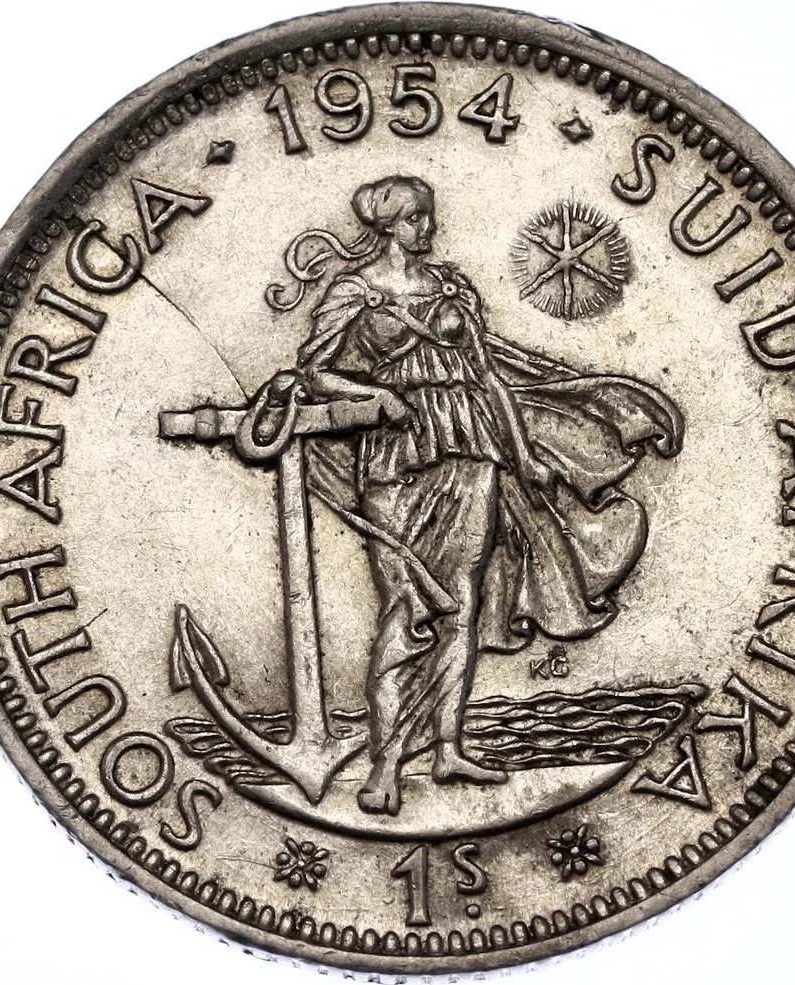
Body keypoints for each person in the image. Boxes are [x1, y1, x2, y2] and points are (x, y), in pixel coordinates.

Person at [268, 175, 683, 815]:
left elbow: (488, 378)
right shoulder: (354, 291)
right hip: (398, 454)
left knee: (461, 601)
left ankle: (448, 748)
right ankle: (386, 764)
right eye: (416, 218)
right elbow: (314, 373)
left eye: (429, 217)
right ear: (388, 225)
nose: (428, 228)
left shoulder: (452, 286)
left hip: (471, 444)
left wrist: (522, 455)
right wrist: (373, 395)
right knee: (406, 605)